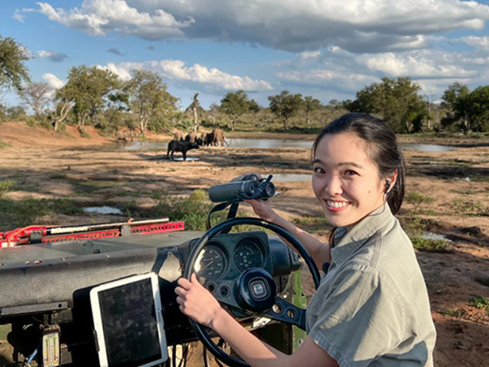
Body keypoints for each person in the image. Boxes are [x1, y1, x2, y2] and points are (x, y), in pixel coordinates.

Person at [175, 112, 436, 366]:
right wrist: (270, 216)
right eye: (320, 170)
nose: (331, 187)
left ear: (387, 181)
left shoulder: (367, 273)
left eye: (350, 173)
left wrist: (213, 315)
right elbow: (325, 255)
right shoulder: (378, 230)